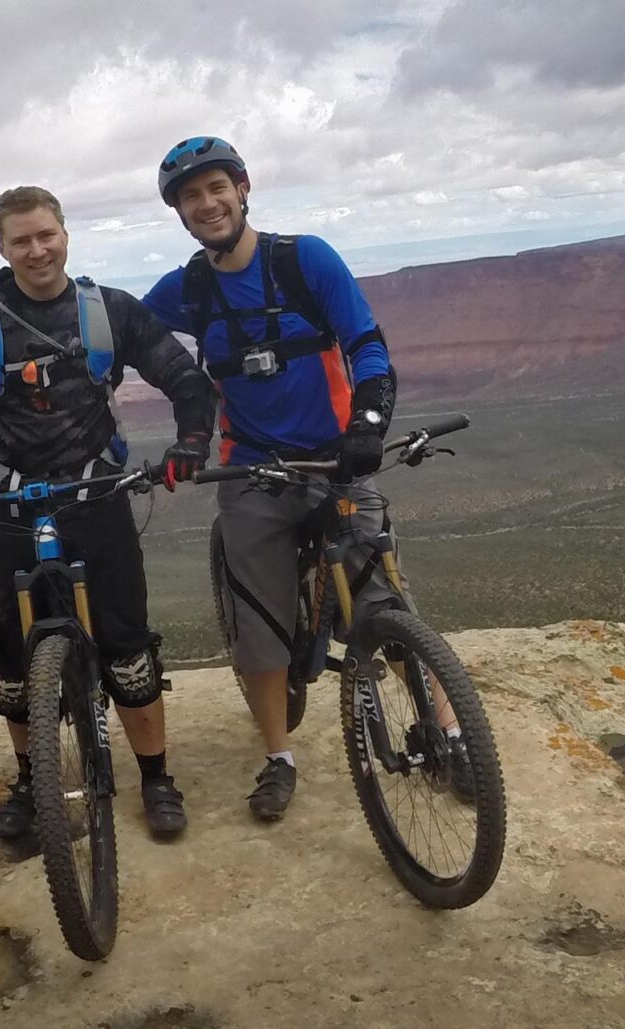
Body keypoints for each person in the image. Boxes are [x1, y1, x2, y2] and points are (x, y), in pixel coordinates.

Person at [0, 185, 216, 841]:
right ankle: (30, 780)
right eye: (22, 239)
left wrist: (189, 444)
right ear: (2, 247)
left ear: (65, 233)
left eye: (46, 234)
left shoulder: (110, 311)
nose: (37, 249)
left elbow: (185, 379)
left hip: (97, 500)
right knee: (12, 659)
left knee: (127, 644)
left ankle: (156, 777)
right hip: (10, 505)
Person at [140, 136, 436, 822]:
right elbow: (123, 334)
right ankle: (279, 756)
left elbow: (365, 342)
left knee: (382, 603)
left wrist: (368, 423)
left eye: (217, 187)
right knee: (260, 623)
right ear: (180, 212)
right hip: (251, 466)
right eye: (190, 195)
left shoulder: (305, 260)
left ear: (244, 189)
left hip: (337, 456)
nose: (206, 203)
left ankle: (445, 728)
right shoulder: (187, 287)